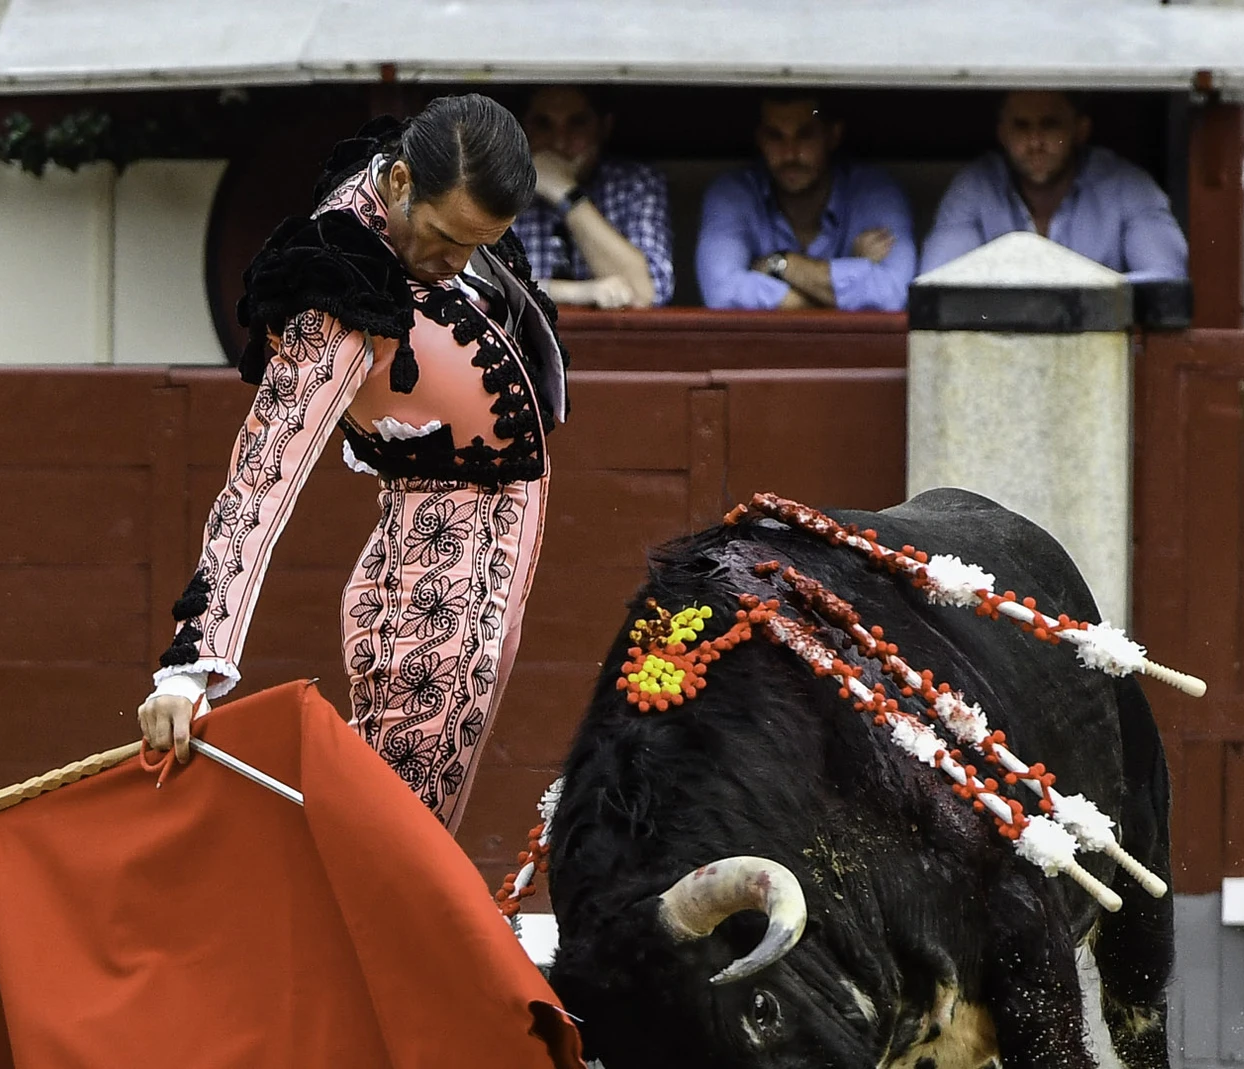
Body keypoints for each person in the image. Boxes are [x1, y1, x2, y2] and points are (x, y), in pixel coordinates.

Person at [136, 95, 566, 832]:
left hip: (460, 553)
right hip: (435, 569)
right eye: (443, 238)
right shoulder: (336, 295)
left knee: (400, 823)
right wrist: (190, 666)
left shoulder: (427, 188)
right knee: (402, 830)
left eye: (479, 244)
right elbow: (260, 480)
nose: (455, 264)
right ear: (399, 182)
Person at [920, 90, 1188, 278]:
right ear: (1002, 133)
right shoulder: (976, 185)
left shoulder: (1127, 186)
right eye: (1021, 126)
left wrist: (1087, 298)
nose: (1035, 142)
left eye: (1049, 125)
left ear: (1080, 130)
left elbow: (1165, 278)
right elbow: (936, 281)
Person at [696, 92, 915, 312]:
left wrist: (781, 264)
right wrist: (846, 279)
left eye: (805, 135)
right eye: (775, 136)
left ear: (832, 136)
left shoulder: (874, 190)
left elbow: (892, 295)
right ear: (760, 140)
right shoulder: (733, 192)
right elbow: (722, 294)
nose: (790, 154)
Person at [511, 85, 673, 309]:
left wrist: (567, 194)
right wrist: (578, 293)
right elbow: (479, 286)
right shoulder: (497, 187)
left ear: (603, 127)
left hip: (611, 343)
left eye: (577, 123)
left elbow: (643, 295)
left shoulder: (634, 182)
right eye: (543, 124)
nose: (560, 142)